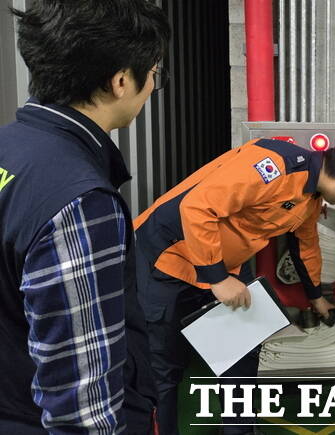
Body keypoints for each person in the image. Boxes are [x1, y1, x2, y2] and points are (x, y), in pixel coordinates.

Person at [134, 137, 335, 434]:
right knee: (163, 364)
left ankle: (239, 431)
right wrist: (217, 278)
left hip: (223, 265)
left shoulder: (311, 196)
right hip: (167, 258)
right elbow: (196, 208)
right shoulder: (272, 167)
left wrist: (316, 296)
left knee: (240, 355)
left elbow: (306, 246)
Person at [0, 1, 170, 433]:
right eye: (154, 75)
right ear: (120, 81)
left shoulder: (12, 148)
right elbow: (82, 404)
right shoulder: (80, 200)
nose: (153, 86)